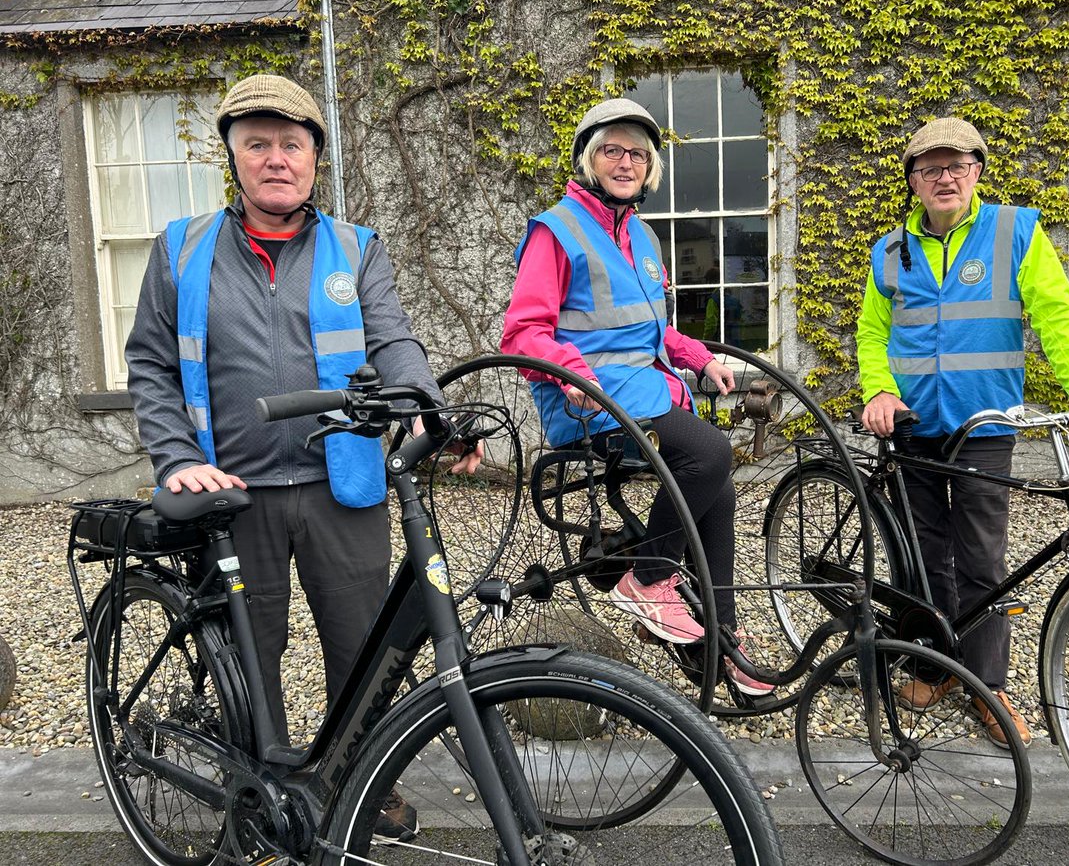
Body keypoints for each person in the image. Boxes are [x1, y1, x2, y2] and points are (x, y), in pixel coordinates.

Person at [125, 73, 480, 838]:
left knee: (362, 652)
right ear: (234, 156)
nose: (276, 158)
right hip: (233, 489)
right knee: (255, 656)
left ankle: (362, 785)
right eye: (258, 144)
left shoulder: (356, 248)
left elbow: (393, 343)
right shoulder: (180, 251)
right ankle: (257, 795)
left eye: (292, 144)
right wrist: (174, 455)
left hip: (340, 483)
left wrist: (427, 411)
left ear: (315, 157)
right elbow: (151, 365)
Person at [856, 116, 1069, 747]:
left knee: (982, 559)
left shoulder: (1015, 230)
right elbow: (873, 333)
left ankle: (988, 685)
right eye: (930, 168)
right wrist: (878, 389)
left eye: (957, 165)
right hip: (913, 428)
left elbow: (1055, 314)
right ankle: (932, 667)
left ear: (977, 172)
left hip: (985, 425)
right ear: (912, 181)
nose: (945, 177)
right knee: (924, 557)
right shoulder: (889, 249)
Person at [499, 98, 772, 696]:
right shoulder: (556, 231)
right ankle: (647, 581)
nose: (625, 162)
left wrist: (697, 356)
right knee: (708, 454)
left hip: (643, 392)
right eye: (612, 150)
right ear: (589, 159)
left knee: (716, 482)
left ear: (649, 168)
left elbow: (649, 329)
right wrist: (577, 378)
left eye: (637, 154)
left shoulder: (641, 236)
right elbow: (523, 334)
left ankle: (720, 638)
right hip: (588, 405)